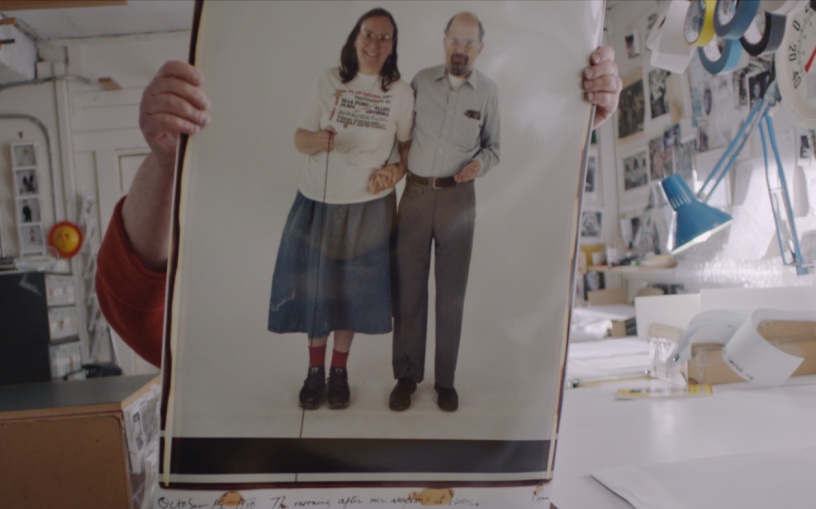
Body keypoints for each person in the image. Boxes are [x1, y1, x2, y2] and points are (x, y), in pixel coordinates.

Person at [95, 34, 621, 388]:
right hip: (276, 490)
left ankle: (346, 375)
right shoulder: (299, 91)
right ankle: (323, 374)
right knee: (321, 296)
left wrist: (563, 121)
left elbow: (514, 286)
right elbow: (143, 316)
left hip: (461, 482)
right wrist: (167, 158)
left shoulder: (433, 126)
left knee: (363, 298)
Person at [267, 7, 413, 410]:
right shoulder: (328, 80)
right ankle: (313, 372)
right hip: (319, 200)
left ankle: (339, 372)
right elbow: (299, 138)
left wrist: (394, 173)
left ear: (393, 45)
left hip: (368, 206)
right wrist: (319, 141)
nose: (374, 43)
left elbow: (406, 150)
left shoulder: (400, 92)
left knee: (349, 292)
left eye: (384, 37)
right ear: (355, 37)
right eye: (368, 34)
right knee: (317, 288)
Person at [389, 12, 498, 413]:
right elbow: (400, 132)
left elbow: (494, 147)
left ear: (480, 49)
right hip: (415, 196)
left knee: (450, 297)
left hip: (458, 202)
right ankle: (406, 376)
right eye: (455, 40)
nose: (461, 49)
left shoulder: (487, 92)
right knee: (409, 290)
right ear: (444, 41)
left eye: (469, 43)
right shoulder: (419, 82)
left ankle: (445, 382)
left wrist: (479, 166)